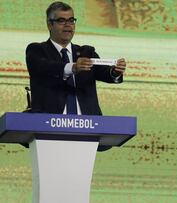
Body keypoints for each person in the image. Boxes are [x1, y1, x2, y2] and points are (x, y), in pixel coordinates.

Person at [25, 1, 126, 151]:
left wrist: (116, 72)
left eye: (71, 20)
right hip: (48, 128)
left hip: (87, 129)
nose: (68, 25)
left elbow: (106, 73)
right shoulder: (37, 50)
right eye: (61, 20)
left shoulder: (87, 52)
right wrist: (72, 67)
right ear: (49, 24)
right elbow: (43, 68)